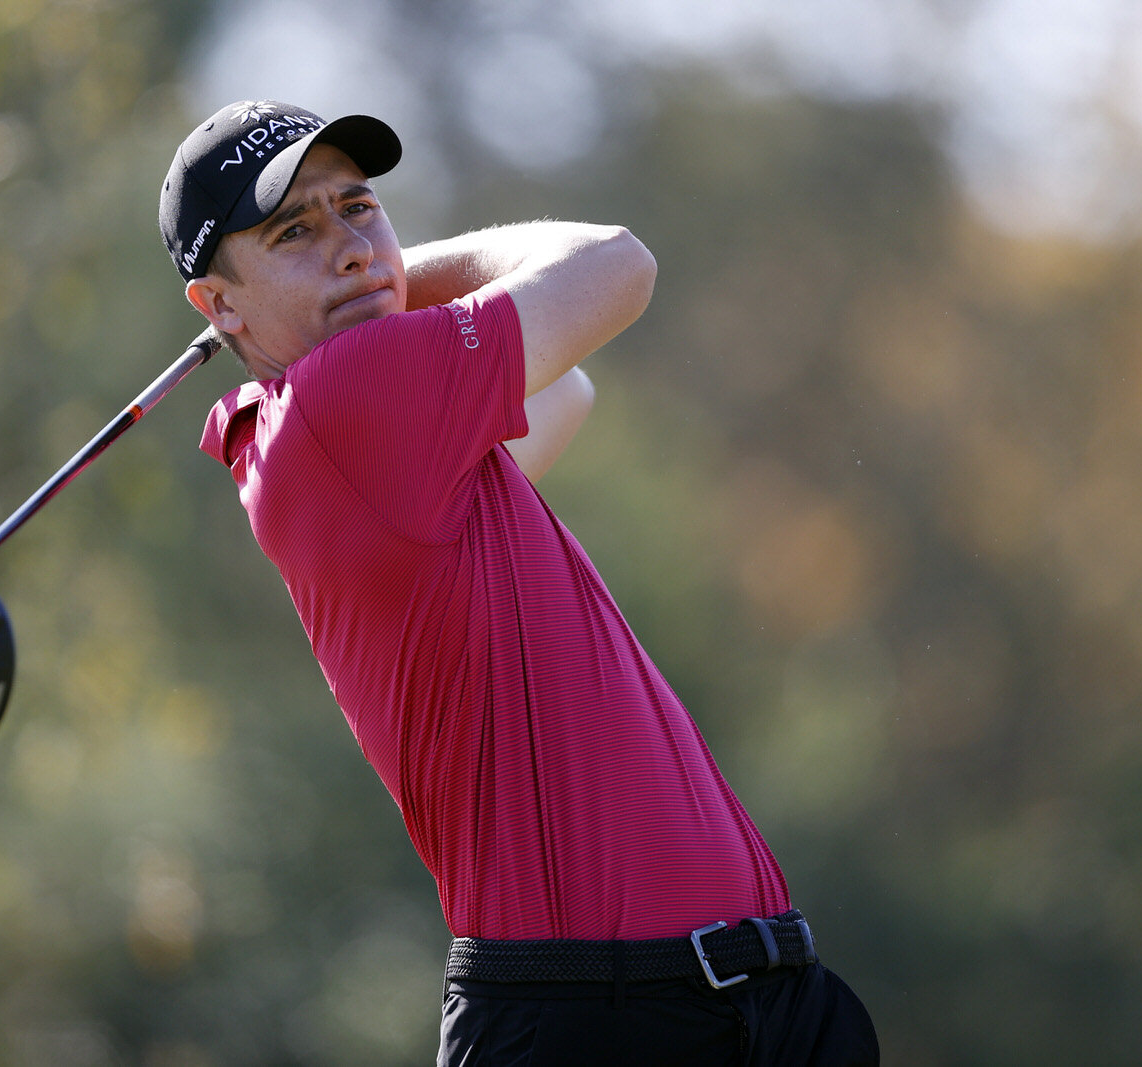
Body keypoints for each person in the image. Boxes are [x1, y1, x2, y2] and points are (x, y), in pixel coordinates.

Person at [159, 100, 880, 1065]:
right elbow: (617, 264)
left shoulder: (339, 439)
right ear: (220, 305)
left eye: (360, 208)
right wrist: (390, 275)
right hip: (605, 1019)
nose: (350, 248)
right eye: (295, 231)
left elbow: (564, 390)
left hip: (735, 1004)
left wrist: (378, 272)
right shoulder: (349, 399)